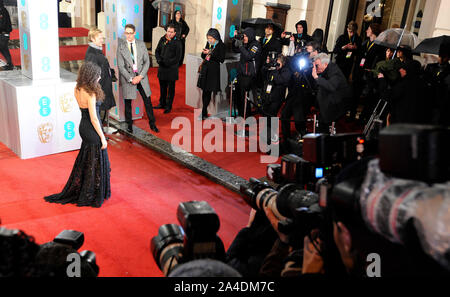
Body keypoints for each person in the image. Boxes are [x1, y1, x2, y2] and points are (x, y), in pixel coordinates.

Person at [44, 62, 111, 208]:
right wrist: (102, 137)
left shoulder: (78, 89)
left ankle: (87, 189)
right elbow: (94, 118)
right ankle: (91, 192)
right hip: (92, 129)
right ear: (91, 76)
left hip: (83, 127)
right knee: (95, 160)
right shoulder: (91, 93)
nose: (99, 78)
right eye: (98, 75)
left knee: (88, 159)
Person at [117, 24, 159, 133]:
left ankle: (152, 123)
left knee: (147, 101)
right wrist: (131, 79)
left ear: (134, 33)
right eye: (127, 33)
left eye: (131, 33)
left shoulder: (141, 44)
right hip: (128, 78)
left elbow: (147, 62)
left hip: (141, 77)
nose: (129, 36)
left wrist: (140, 76)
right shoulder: (121, 47)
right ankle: (129, 125)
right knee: (128, 102)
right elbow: (121, 67)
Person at [351, 23, 384, 121]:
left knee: (367, 97)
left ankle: (363, 117)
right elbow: (359, 58)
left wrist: (372, 71)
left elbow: (379, 61)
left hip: (369, 75)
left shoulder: (380, 46)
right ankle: (352, 114)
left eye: (368, 29)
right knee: (355, 94)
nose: (366, 31)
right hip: (359, 73)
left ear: (373, 31)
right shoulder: (365, 43)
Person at [312, 53, 352, 132]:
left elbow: (331, 86)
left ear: (325, 64)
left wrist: (316, 77)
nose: (316, 68)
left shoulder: (335, 72)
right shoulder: (325, 68)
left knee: (324, 122)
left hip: (339, 101)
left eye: (317, 65)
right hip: (331, 98)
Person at [84, 27, 116, 124]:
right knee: (97, 112)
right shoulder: (92, 53)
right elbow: (92, 73)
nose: (102, 40)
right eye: (100, 38)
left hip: (103, 85)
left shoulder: (97, 50)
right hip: (99, 88)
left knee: (100, 111)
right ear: (93, 39)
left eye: (102, 38)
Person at [260, 54, 291, 148]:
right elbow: (263, 73)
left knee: (271, 117)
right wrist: (267, 65)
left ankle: (272, 140)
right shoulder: (273, 68)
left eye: (278, 63)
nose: (276, 64)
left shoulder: (286, 71)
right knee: (266, 117)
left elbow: (279, 80)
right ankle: (266, 139)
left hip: (277, 98)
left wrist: (274, 71)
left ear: (283, 63)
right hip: (268, 97)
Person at [232, 27, 262, 118]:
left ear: (250, 36)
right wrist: (235, 40)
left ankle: (246, 116)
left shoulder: (255, 45)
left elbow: (249, 56)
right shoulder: (245, 44)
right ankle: (241, 114)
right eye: (243, 36)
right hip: (241, 73)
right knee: (238, 95)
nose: (244, 38)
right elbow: (235, 50)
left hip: (249, 75)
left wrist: (241, 46)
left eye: (245, 36)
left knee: (244, 96)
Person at [197, 28, 225, 120]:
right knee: (204, 91)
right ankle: (204, 111)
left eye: (211, 38)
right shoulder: (209, 44)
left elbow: (221, 58)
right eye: (208, 38)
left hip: (213, 72)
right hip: (205, 70)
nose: (209, 40)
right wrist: (204, 52)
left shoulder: (221, 45)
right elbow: (203, 56)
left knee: (208, 91)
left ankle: (204, 111)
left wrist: (210, 53)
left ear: (216, 37)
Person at [154, 24, 182, 114]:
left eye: (171, 32)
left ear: (175, 33)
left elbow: (178, 57)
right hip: (162, 68)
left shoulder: (178, 42)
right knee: (162, 87)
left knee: (170, 89)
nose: (169, 33)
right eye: (168, 31)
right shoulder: (162, 39)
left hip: (171, 69)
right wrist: (158, 60)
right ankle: (161, 103)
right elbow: (157, 50)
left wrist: (167, 63)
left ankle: (168, 106)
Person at [424, 42, 450, 126]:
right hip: (428, 99)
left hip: (440, 103)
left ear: (448, 58)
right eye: (440, 56)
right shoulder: (430, 67)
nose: (441, 59)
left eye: (444, 57)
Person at [0, 0, 13, 70]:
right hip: (3, 34)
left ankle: (9, 64)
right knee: (4, 49)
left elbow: (2, 24)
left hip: (3, 34)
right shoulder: (3, 10)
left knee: (3, 49)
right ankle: (9, 64)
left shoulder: (2, 11)